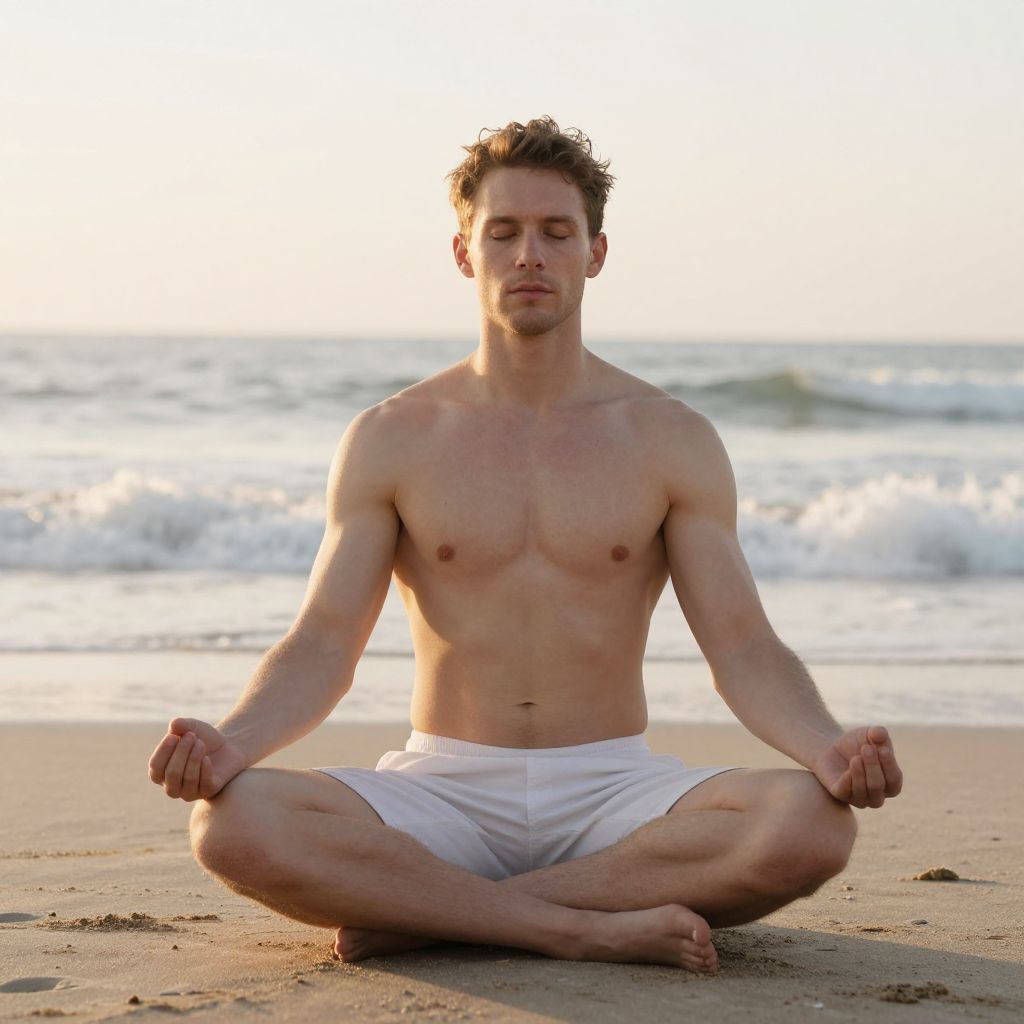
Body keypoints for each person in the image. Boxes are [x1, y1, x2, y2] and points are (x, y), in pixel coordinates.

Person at [148, 116, 903, 974]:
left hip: (617, 792)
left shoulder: (669, 437)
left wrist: (823, 745)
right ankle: (578, 925)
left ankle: (437, 915)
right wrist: (235, 742)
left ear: (597, 251)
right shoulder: (393, 435)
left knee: (810, 823)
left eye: (556, 232)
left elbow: (741, 644)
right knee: (233, 822)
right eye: (502, 232)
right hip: (439, 791)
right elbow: (322, 642)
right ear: (465, 253)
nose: (530, 255)